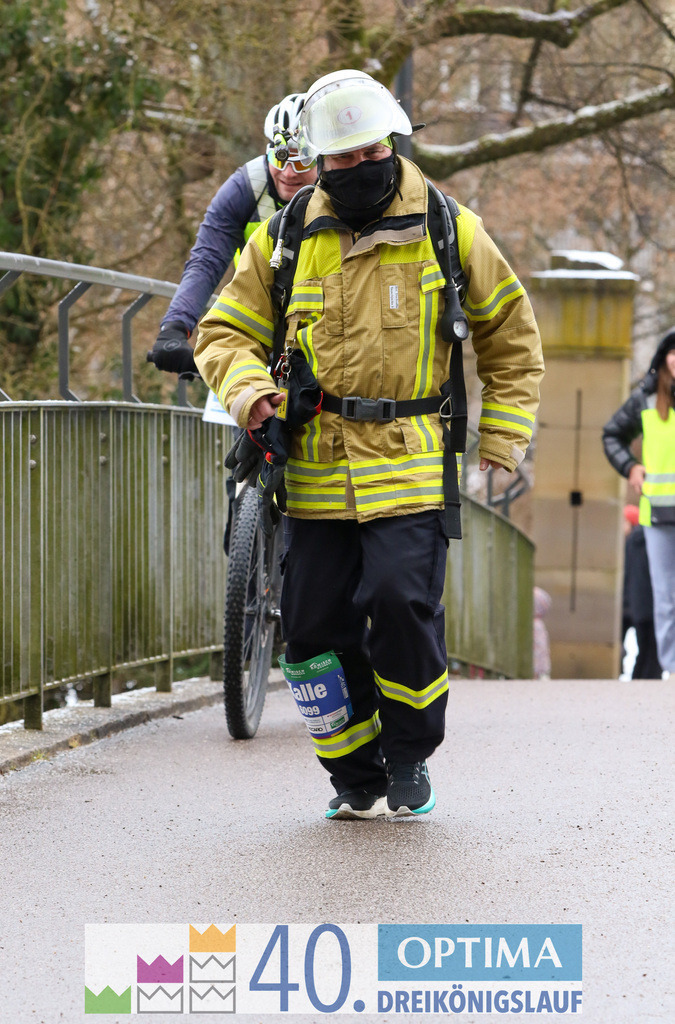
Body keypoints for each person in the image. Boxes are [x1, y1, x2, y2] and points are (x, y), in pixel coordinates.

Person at [195, 69, 545, 819]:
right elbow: (222, 331)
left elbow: (511, 335)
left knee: (398, 601)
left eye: (371, 152)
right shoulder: (286, 236)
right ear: (320, 162)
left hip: (410, 461)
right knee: (310, 634)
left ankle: (408, 754)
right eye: (343, 158)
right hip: (316, 468)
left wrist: (503, 433)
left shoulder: (449, 227)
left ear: (392, 144)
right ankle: (352, 771)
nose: (359, 167)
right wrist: (251, 392)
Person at [149, 93, 318, 377]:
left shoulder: (336, 187)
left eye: (302, 162)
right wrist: (175, 327)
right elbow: (207, 259)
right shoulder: (246, 187)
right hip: (258, 319)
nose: (289, 173)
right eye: (280, 158)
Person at [603, 330, 675, 682]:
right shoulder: (646, 400)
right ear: (663, 358)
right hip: (658, 515)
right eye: (673, 352)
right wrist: (631, 467)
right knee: (665, 598)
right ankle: (672, 667)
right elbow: (612, 434)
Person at [621, 505, 661, 680]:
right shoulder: (644, 541)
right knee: (650, 653)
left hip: (637, 603)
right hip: (648, 604)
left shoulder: (633, 542)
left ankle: (638, 684)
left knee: (645, 652)